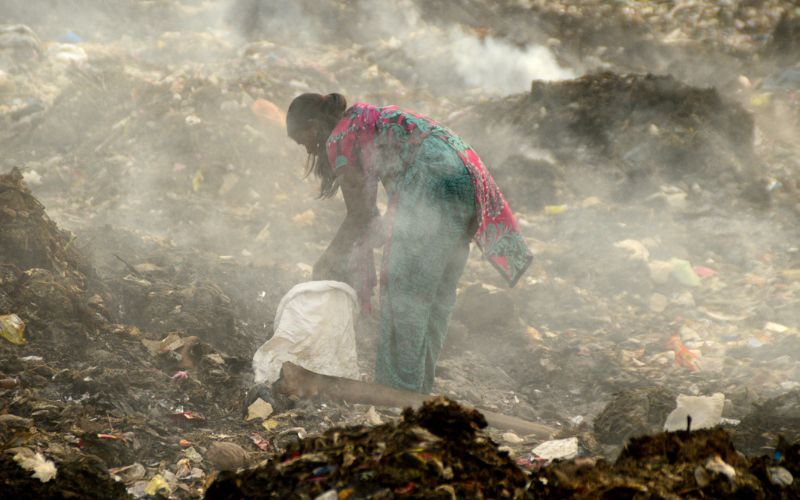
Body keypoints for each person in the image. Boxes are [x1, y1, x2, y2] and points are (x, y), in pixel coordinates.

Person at [286, 93, 532, 393]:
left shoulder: (340, 137)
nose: (309, 149)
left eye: (303, 140)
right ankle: (418, 395)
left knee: (403, 291)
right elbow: (371, 219)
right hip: (467, 174)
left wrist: (326, 261)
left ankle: (397, 395)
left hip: (430, 179)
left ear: (313, 125)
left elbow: (360, 214)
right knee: (433, 295)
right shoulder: (365, 120)